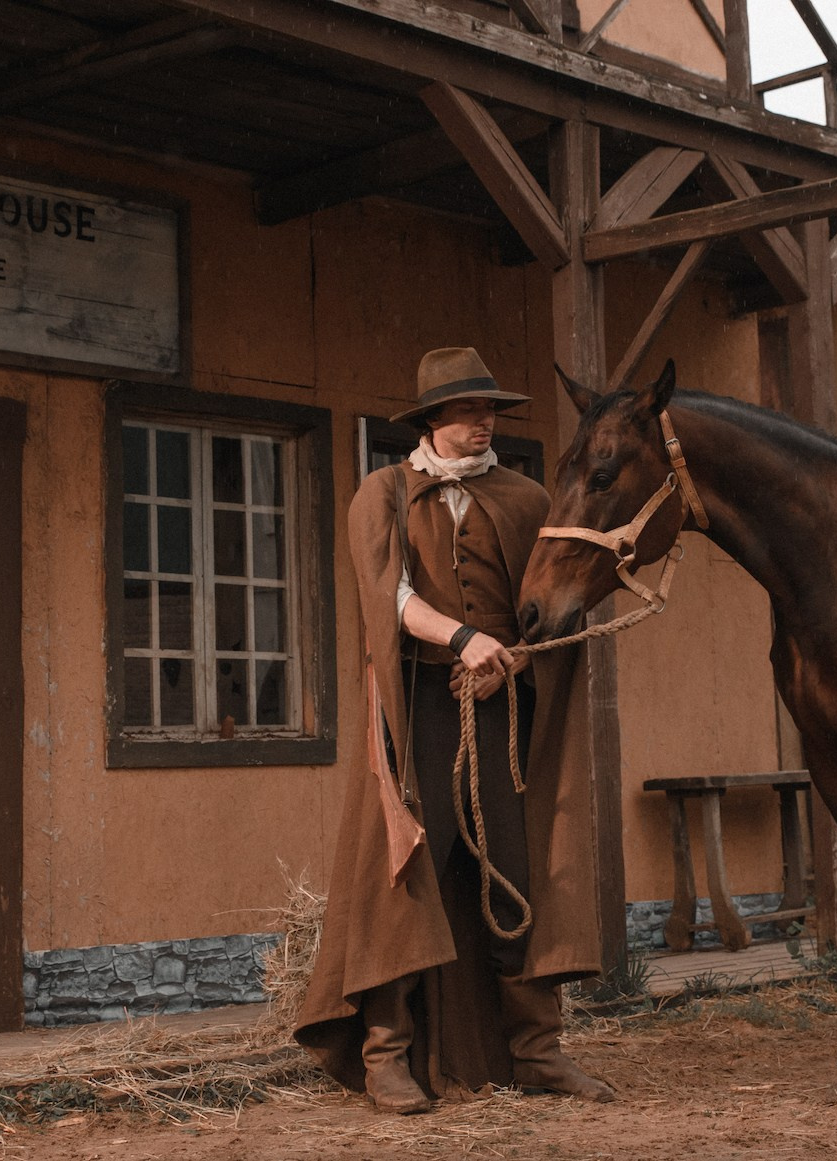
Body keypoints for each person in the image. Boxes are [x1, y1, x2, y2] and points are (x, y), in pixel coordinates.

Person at [293, 347, 615, 1114]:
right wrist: (461, 639)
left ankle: (536, 1049)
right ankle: (387, 1055)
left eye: (492, 410)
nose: (484, 422)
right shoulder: (381, 495)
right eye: (469, 411)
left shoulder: (529, 497)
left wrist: (510, 660)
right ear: (433, 420)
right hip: (418, 710)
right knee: (405, 873)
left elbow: (547, 605)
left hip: (507, 709)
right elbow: (389, 596)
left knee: (518, 865)